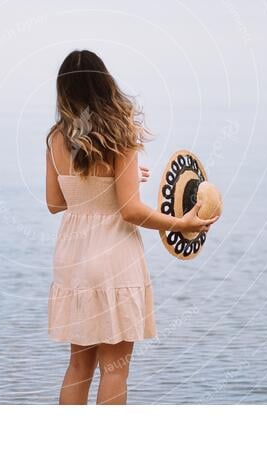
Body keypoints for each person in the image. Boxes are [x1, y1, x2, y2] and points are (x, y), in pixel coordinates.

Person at [45, 49, 219, 405]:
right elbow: (129, 210)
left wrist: (107, 186)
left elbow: (56, 202)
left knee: (79, 365)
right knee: (114, 368)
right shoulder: (119, 134)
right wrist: (177, 222)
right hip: (113, 256)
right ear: (105, 85)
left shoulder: (56, 138)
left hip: (73, 257)